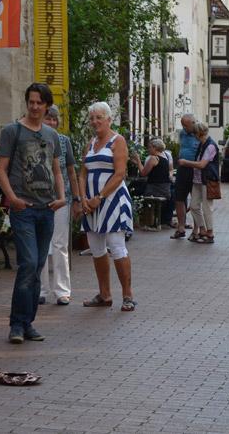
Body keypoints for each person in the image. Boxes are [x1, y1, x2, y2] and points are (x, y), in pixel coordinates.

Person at [0, 83, 66, 344]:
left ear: (47, 105)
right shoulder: (12, 131)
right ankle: (16, 324)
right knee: (27, 263)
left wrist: (61, 198)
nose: (35, 107)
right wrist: (12, 198)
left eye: (40, 102)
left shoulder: (51, 135)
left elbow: (56, 169)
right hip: (23, 209)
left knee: (37, 267)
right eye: (31, 102)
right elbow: (0, 168)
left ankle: (28, 323)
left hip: (47, 209)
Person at [79, 102, 136, 311]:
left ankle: (127, 295)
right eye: (92, 118)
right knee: (96, 248)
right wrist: (83, 197)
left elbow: (120, 173)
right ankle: (104, 294)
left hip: (112, 200)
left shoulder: (117, 141)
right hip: (92, 203)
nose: (95, 122)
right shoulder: (90, 143)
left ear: (109, 119)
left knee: (116, 246)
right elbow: (83, 172)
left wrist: (99, 197)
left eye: (99, 118)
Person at [39, 105, 81, 306]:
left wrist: (77, 199)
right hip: (37, 199)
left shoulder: (64, 142)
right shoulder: (32, 139)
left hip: (62, 199)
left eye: (55, 119)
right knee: (41, 244)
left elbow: (71, 172)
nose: (52, 122)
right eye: (48, 118)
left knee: (60, 245)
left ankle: (62, 290)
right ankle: (40, 290)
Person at [177, 122, 219, 244]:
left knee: (207, 208)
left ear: (198, 133)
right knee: (194, 206)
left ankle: (210, 233)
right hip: (197, 180)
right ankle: (202, 229)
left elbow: (202, 164)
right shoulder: (202, 144)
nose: (193, 136)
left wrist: (186, 162)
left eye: (194, 133)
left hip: (207, 180)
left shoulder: (210, 146)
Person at [171, 114, 199, 239]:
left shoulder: (200, 134)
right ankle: (181, 227)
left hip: (195, 169)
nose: (184, 128)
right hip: (182, 169)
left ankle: (196, 229)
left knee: (195, 200)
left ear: (193, 123)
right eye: (183, 125)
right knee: (179, 197)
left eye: (186, 125)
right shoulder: (182, 133)